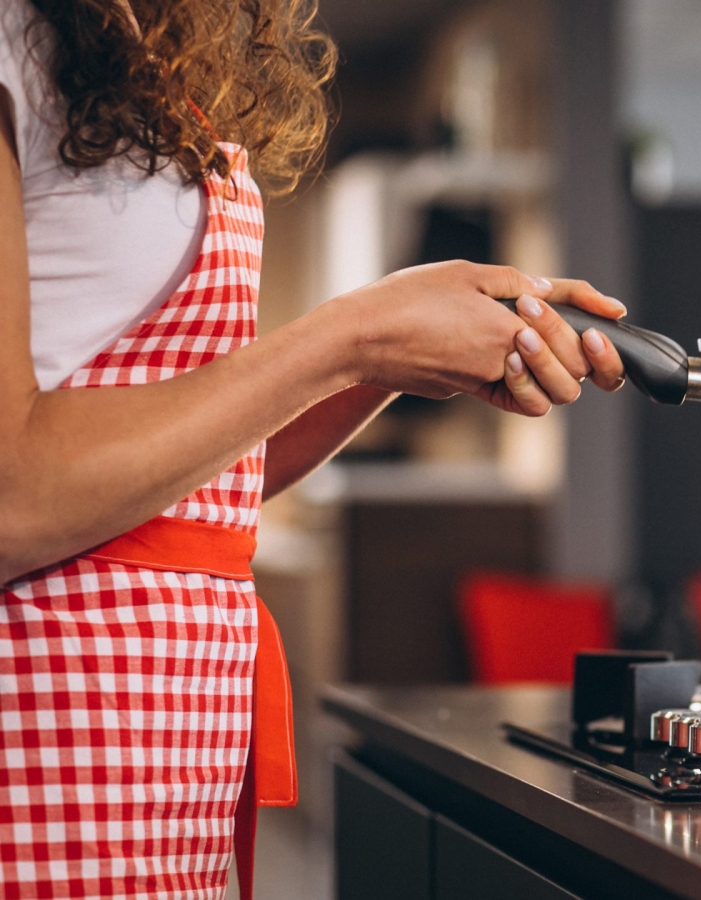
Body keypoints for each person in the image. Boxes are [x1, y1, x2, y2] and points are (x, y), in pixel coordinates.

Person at [0, 0, 626, 895]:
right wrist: (353, 338)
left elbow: (194, 488)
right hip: (43, 721)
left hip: (164, 761)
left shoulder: (136, 51)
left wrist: (393, 363)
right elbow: (14, 495)